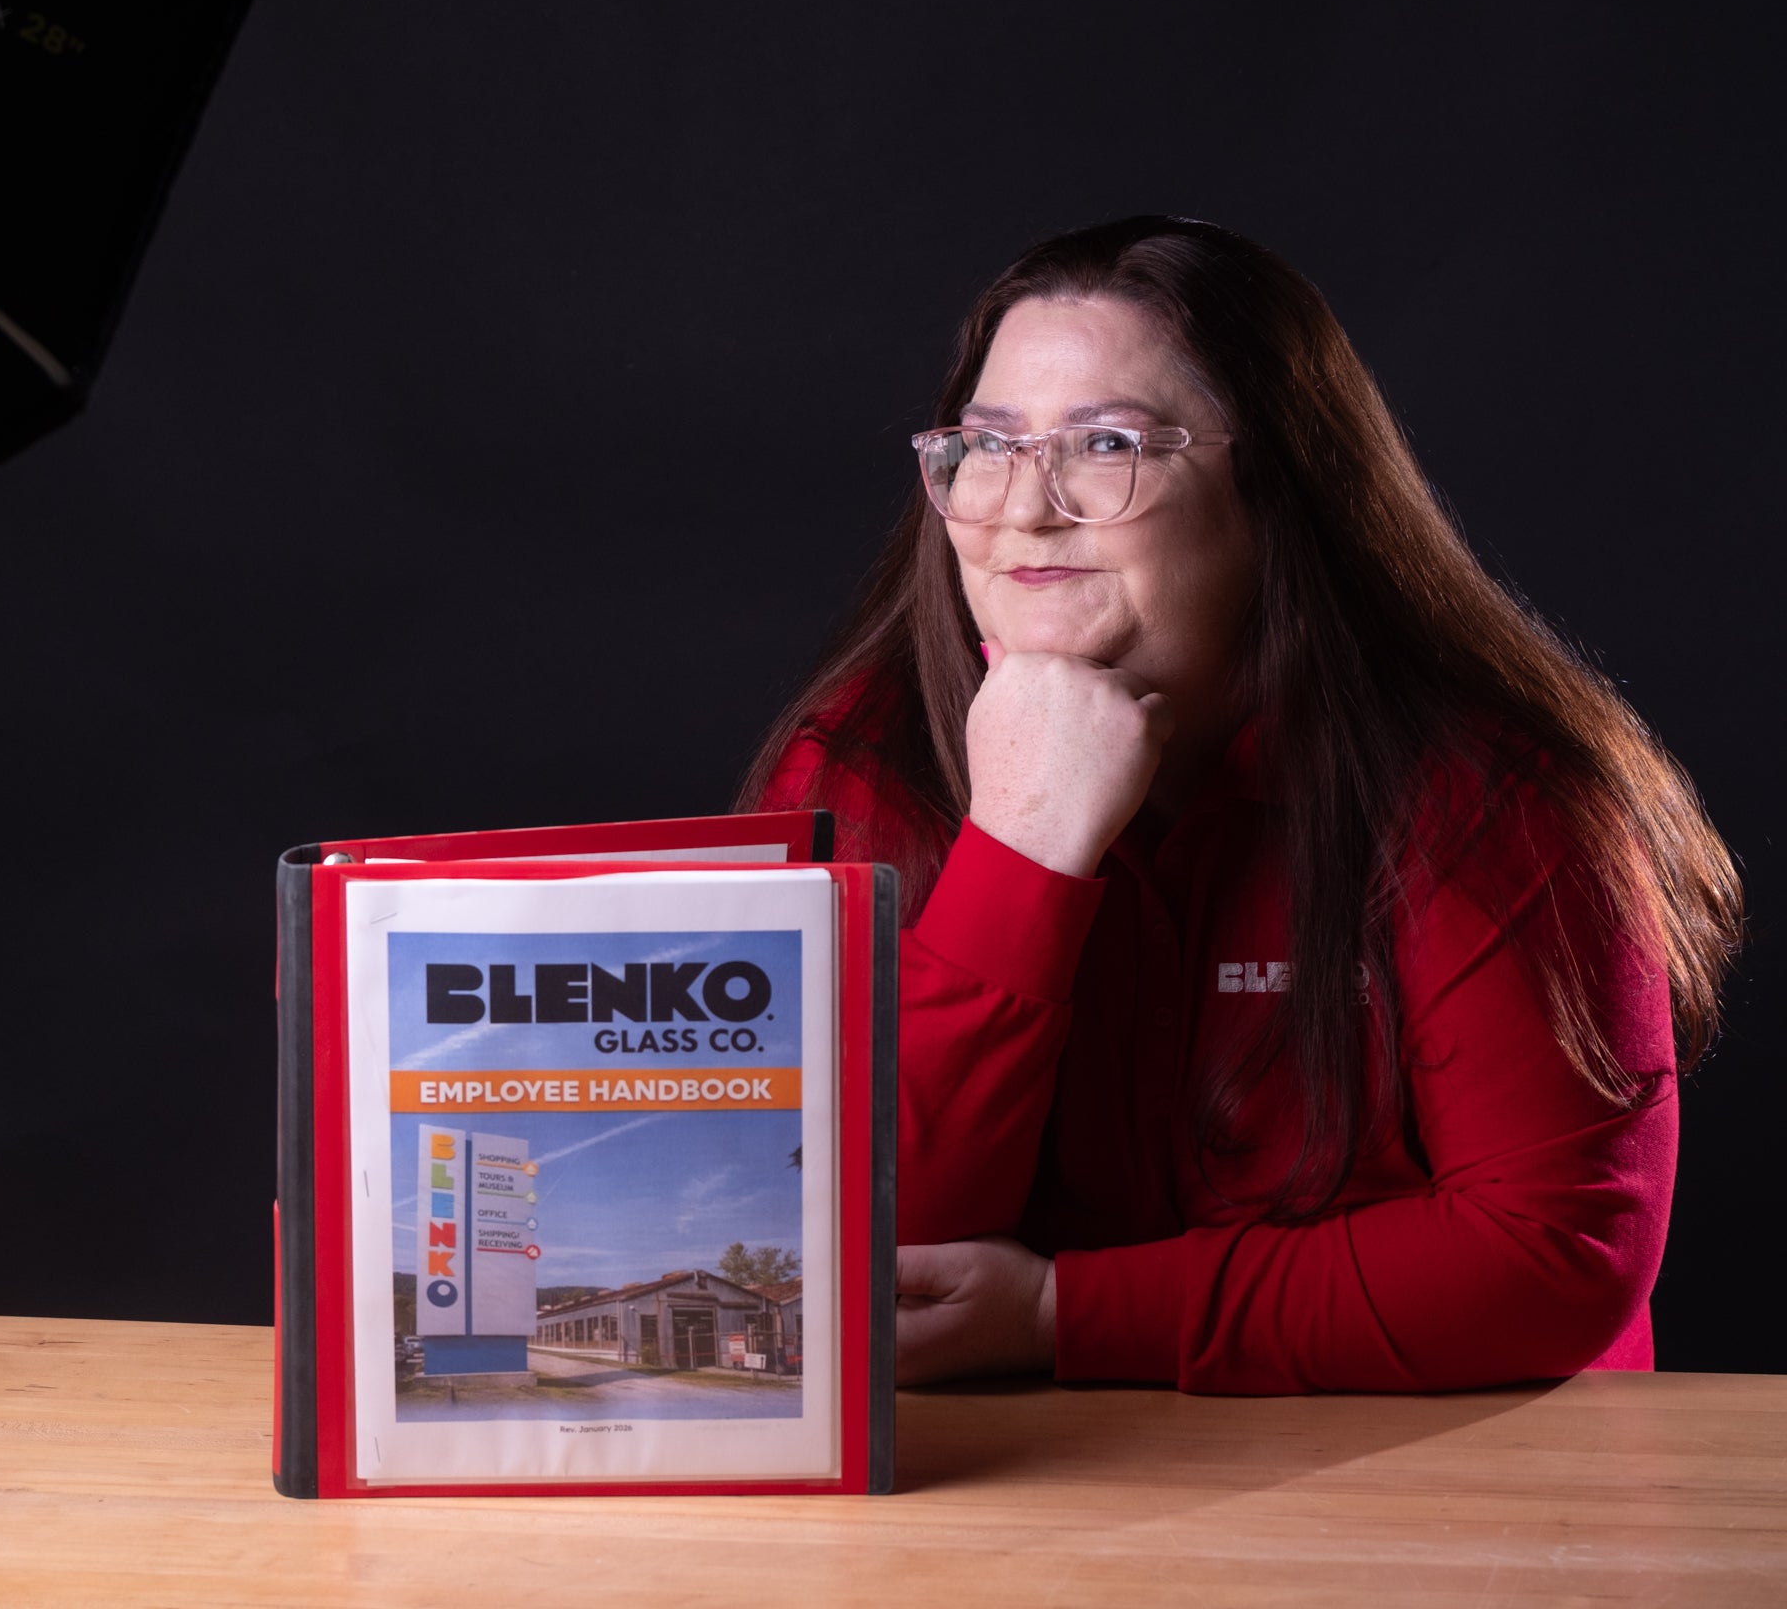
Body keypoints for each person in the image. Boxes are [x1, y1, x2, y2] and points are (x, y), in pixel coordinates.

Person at [740, 216, 1740, 1393]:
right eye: (986, 446)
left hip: (1457, 1497)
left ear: (1275, 487)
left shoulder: (1492, 794)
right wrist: (1021, 849)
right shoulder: (856, 765)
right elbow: (837, 1256)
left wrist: (1067, 1314)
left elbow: (1550, 1258)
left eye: (1106, 444)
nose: (1023, 508)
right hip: (1027, 1503)